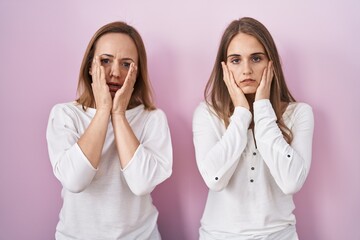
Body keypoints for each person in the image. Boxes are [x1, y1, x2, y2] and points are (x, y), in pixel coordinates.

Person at [46, 21, 173, 240]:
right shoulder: (64, 115)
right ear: (89, 66)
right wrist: (103, 109)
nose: (115, 73)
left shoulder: (152, 119)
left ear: (137, 72)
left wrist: (119, 115)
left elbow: (141, 184)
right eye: (105, 61)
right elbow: (75, 181)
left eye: (126, 64)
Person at [192, 17, 314, 240]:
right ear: (225, 67)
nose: (246, 69)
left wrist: (262, 107)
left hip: (279, 235)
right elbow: (214, 180)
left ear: (271, 63)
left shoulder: (299, 113)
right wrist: (240, 112)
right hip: (218, 235)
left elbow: (291, 183)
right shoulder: (207, 114)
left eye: (256, 58)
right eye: (236, 60)